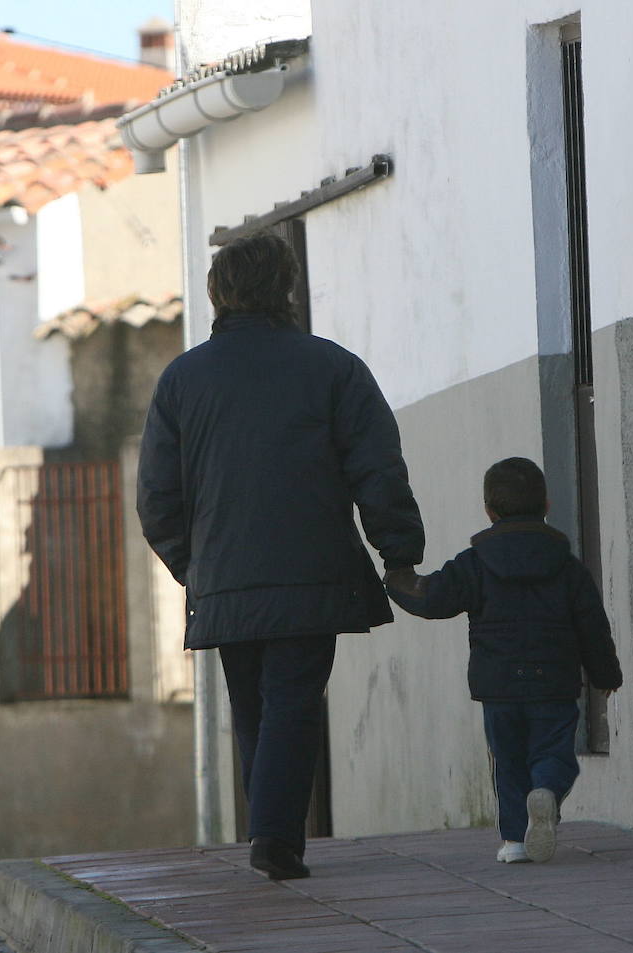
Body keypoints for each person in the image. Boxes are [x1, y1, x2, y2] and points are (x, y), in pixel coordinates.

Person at [136, 232, 424, 881]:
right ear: (286, 287)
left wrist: (198, 566)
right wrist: (399, 553)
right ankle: (273, 835)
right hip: (312, 571)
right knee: (294, 698)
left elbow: (156, 498)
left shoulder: (182, 380)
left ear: (217, 293)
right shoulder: (333, 367)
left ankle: (271, 830)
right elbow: (378, 470)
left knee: (254, 708)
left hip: (225, 581)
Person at [383, 457, 623, 864]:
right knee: (553, 753)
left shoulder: (474, 564)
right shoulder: (568, 567)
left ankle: (514, 841)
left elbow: (431, 598)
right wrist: (605, 672)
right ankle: (545, 791)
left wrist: (396, 579)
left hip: (498, 685)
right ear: (546, 505)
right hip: (554, 681)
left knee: (508, 760)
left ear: (489, 510)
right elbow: (592, 625)